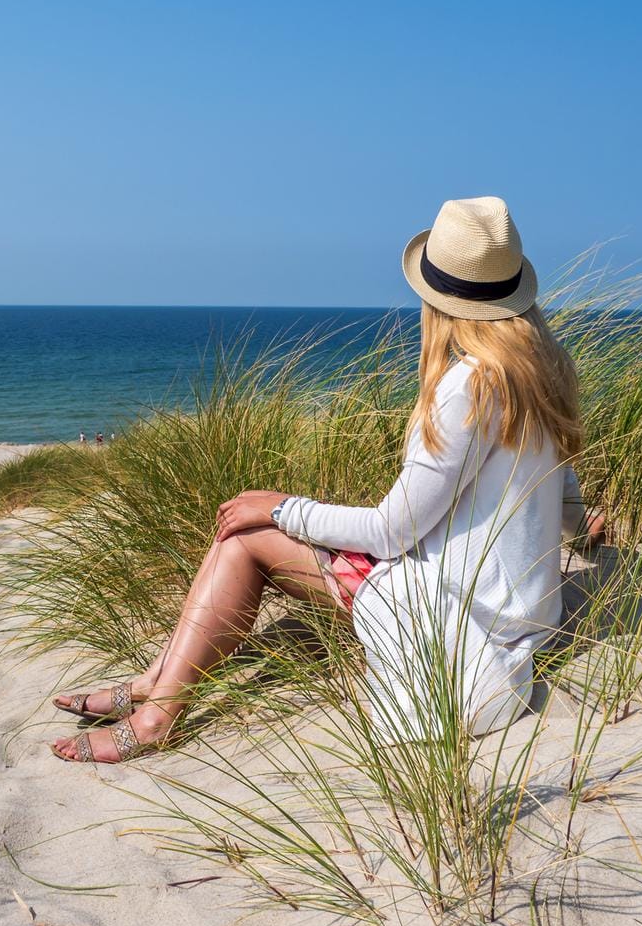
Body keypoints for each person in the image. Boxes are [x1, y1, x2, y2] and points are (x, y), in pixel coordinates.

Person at [51, 197, 583, 763]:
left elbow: (392, 532)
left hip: (459, 624)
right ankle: (152, 683)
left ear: (437, 299)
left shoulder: (467, 387)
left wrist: (282, 508)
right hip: (520, 618)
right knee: (256, 527)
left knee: (245, 537)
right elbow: (563, 486)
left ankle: (157, 716)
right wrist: (581, 524)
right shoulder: (542, 369)